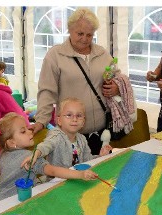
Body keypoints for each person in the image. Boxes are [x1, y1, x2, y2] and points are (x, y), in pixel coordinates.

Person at [32, 8, 122, 156]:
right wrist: (41, 120)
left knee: (99, 172)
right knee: (73, 173)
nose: (85, 39)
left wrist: (116, 87)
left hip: (102, 133)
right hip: (70, 135)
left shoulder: (102, 53)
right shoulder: (55, 55)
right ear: (69, 30)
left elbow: (117, 77)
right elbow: (47, 91)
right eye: (80, 33)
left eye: (89, 35)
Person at [0, 112, 96, 201]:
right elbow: (52, 171)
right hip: (16, 203)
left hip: (0, 200)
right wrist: (80, 174)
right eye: (23, 131)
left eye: (27, 127)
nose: (30, 131)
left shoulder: (4, 153)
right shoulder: (29, 157)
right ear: (11, 143)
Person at [25, 97, 112, 171]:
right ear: (59, 120)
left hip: (78, 179)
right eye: (69, 115)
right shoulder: (56, 135)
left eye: (79, 115)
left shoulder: (82, 139)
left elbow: (87, 161)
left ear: (83, 122)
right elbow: (46, 145)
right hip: (58, 182)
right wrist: (36, 153)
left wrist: (100, 156)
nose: (74, 119)